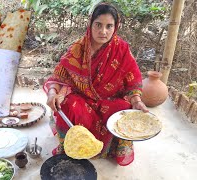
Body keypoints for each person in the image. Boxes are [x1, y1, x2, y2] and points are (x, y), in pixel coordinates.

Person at [44, 2, 148, 166]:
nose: (103, 31)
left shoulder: (121, 49)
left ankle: (110, 149)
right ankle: (72, 148)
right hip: (83, 99)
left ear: (116, 27)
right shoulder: (78, 49)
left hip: (110, 100)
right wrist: (52, 93)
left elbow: (132, 80)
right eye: (98, 25)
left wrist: (137, 101)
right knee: (67, 105)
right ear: (90, 24)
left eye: (109, 26)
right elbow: (59, 76)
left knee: (124, 110)